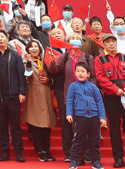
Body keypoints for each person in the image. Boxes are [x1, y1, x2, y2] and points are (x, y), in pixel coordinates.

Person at [94, 34, 125, 169]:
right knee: (114, 128)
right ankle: (118, 158)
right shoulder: (99, 59)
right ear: (104, 44)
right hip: (111, 97)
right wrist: (115, 89)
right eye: (108, 42)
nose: (111, 44)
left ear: (116, 43)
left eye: (113, 41)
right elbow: (101, 78)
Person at [52, 32, 96, 165]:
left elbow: (93, 77)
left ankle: (87, 153)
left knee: (85, 124)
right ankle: (71, 153)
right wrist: (52, 62)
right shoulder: (64, 56)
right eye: (73, 38)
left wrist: (90, 88)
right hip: (69, 94)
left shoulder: (88, 57)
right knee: (68, 124)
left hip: (85, 95)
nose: (75, 40)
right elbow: (54, 70)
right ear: (68, 42)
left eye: (78, 38)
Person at [0, 29, 27, 163]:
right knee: (2, 125)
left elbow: (21, 74)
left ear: (7, 39)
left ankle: (19, 152)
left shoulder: (15, 55)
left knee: (15, 126)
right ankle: (4, 152)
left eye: (2, 37)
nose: (0, 39)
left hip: (13, 96)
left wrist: (22, 92)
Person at [66, 62, 106, 169]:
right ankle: (73, 161)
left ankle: (96, 162)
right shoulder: (73, 87)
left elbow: (99, 102)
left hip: (94, 117)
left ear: (88, 74)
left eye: (83, 71)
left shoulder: (93, 87)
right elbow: (69, 100)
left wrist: (102, 117)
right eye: (78, 71)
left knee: (95, 140)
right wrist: (69, 113)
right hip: (80, 116)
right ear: (75, 73)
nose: (80, 73)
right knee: (78, 139)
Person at [22, 39, 56, 162]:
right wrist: (28, 63)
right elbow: (27, 75)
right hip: (34, 93)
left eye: (36, 46)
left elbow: (53, 76)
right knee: (36, 123)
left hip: (46, 92)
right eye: (31, 47)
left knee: (47, 123)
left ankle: (47, 149)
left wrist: (48, 80)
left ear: (40, 49)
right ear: (28, 50)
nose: (34, 48)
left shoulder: (45, 61)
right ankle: (40, 150)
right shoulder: (26, 61)